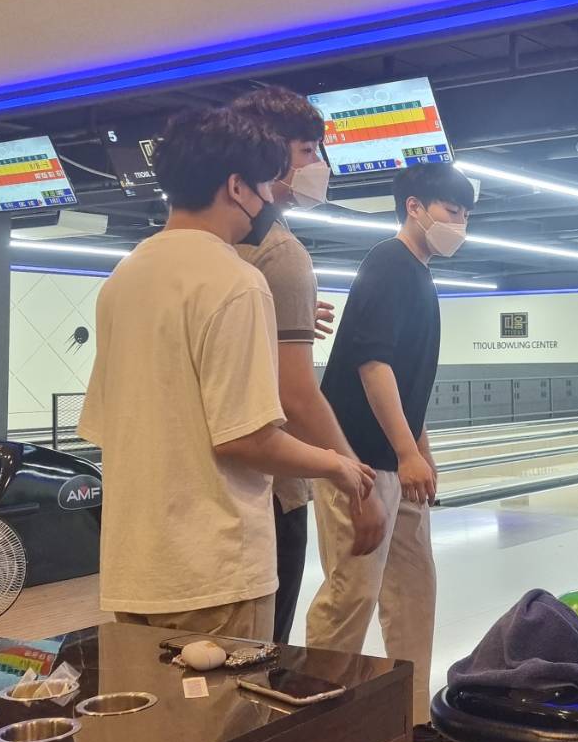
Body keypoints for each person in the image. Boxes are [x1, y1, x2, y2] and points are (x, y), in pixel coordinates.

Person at [79, 108, 373, 639]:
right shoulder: (236, 281)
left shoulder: (124, 277)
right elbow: (245, 438)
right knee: (231, 697)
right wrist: (338, 465)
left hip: (135, 569)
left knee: (153, 696)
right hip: (216, 572)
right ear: (237, 187)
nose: (264, 202)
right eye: (262, 187)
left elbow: (107, 424)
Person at [307, 161, 476, 742]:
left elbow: (407, 383)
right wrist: (405, 452)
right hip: (355, 459)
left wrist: (421, 453)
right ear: (415, 208)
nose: (460, 223)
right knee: (352, 591)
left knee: (413, 588)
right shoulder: (387, 265)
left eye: (466, 213)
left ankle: (412, 718)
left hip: (396, 465)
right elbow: (372, 364)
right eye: (452, 210)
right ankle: (315, 719)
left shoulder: (419, 276)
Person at [230, 85, 375, 643]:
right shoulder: (280, 252)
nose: (320, 165)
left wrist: (278, 323)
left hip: (202, 492)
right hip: (269, 490)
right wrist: (353, 477)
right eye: (309, 150)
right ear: (269, 153)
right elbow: (297, 394)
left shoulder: (192, 250)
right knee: (258, 653)